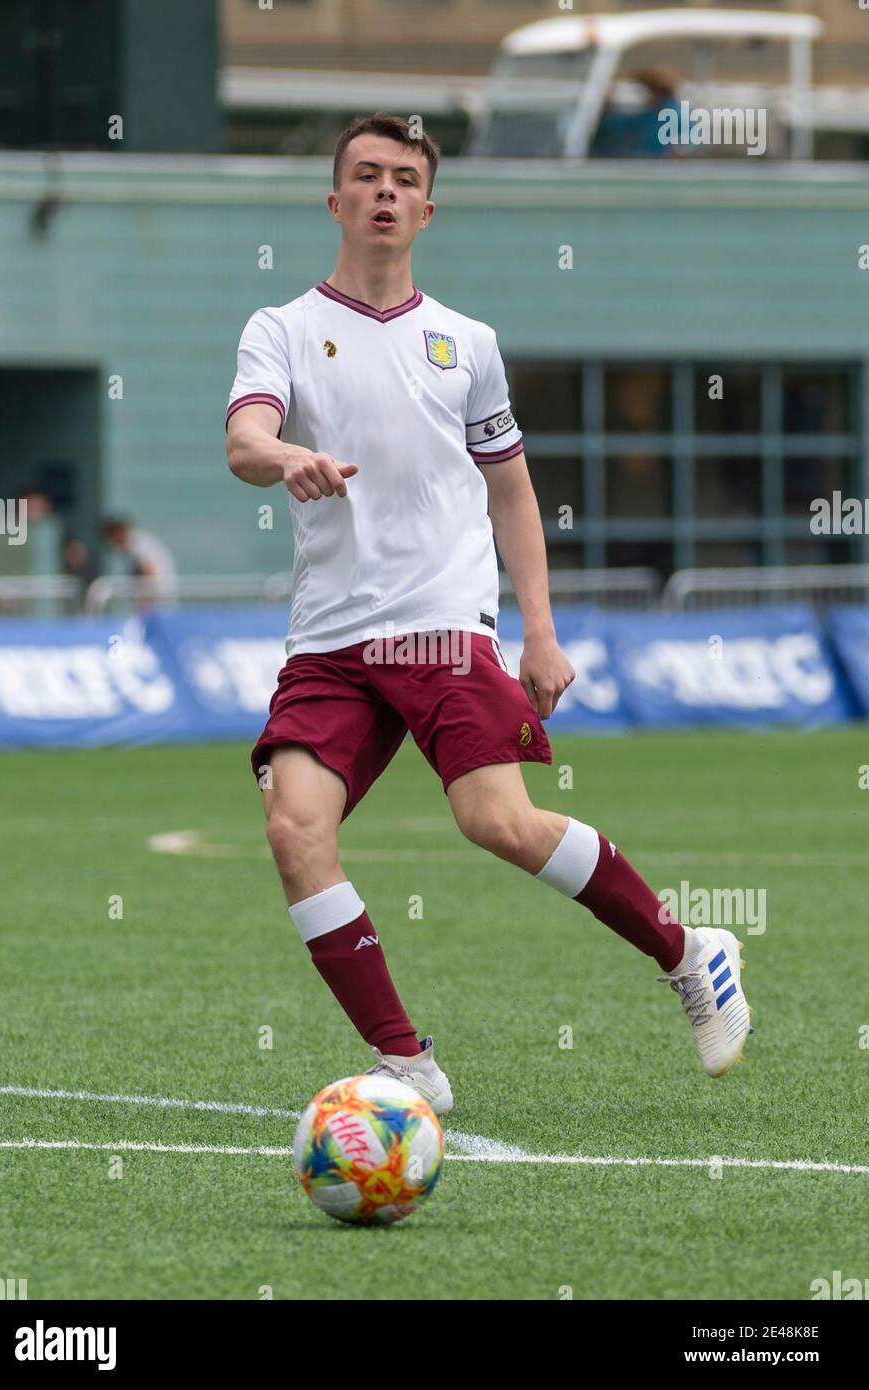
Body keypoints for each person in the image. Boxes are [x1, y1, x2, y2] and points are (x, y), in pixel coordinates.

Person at [225, 113, 751, 1114]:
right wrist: (285, 454)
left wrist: (539, 631)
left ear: (426, 207)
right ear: (334, 201)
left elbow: (511, 492)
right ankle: (407, 1065)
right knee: (294, 828)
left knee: (496, 822)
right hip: (329, 643)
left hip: (441, 628)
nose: (384, 191)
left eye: (403, 178)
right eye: (365, 176)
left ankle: (689, 951)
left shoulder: (466, 344)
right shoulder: (281, 327)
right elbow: (247, 437)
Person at [100, 516, 177, 608]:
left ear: (118, 533)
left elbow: (149, 574)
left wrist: (144, 603)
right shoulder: (139, 543)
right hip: (160, 598)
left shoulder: (137, 544)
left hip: (159, 600)